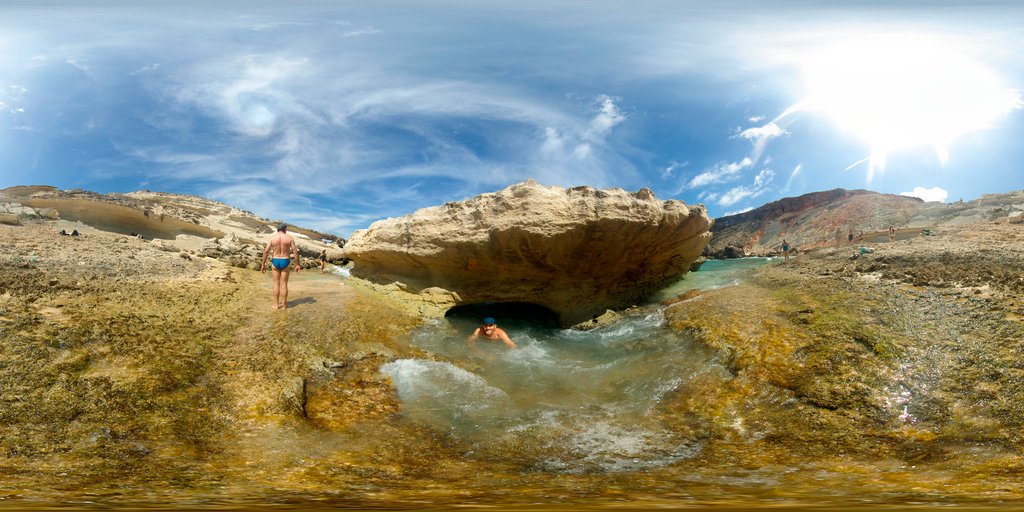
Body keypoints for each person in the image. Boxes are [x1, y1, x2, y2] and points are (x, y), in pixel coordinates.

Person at [260, 223, 301, 310]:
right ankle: (284, 305)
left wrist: (263, 265)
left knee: (276, 283)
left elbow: (266, 251)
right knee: (284, 284)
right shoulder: (289, 238)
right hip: (285, 261)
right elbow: (295, 252)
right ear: (285, 229)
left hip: (275, 260)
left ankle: (275, 305)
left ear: (278, 230)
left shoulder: (272, 238)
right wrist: (297, 264)